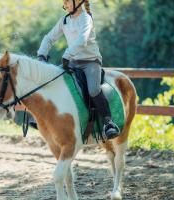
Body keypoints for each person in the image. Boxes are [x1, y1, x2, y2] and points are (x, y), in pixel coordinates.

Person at [36, 0, 120, 140]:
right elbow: (49, 38)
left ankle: (108, 123)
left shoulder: (86, 18)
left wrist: (66, 55)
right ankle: (43, 117)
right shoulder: (64, 20)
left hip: (90, 62)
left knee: (93, 90)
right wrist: (41, 54)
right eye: (64, 2)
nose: (65, 5)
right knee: (52, 81)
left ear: (78, 2)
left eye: (67, 1)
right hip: (72, 62)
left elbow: (82, 40)